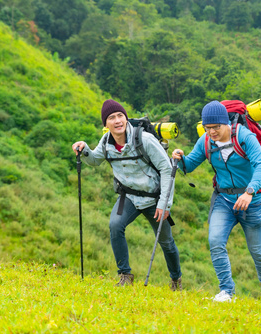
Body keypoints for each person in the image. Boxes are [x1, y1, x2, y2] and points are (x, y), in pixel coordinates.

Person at [172, 100, 261, 304]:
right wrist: (179, 158)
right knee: (215, 241)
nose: (211, 132)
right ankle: (227, 292)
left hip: (252, 202)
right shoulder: (205, 141)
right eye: (207, 128)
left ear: (225, 123)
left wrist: (249, 191)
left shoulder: (244, 137)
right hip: (224, 200)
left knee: (258, 250)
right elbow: (190, 164)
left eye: (216, 127)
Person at [72, 99, 182, 290]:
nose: (117, 121)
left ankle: (176, 280)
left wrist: (165, 203)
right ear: (105, 124)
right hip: (129, 197)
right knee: (115, 226)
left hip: (154, 197)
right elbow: (95, 160)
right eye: (111, 118)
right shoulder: (106, 141)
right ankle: (125, 275)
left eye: (120, 116)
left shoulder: (144, 140)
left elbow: (166, 169)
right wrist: (85, 150)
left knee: (166, 242)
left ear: (126, 118)